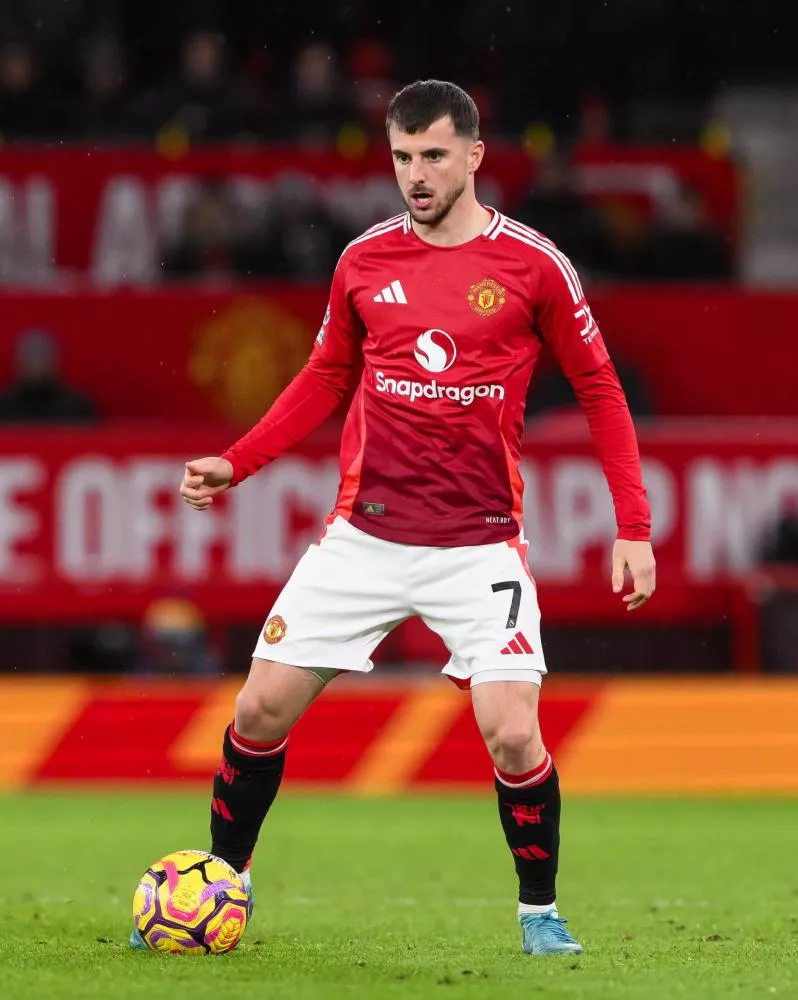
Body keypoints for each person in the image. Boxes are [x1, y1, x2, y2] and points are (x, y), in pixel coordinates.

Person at [166, 80, 656, 958]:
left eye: (433, 155)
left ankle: (539, 915)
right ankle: (219, 886)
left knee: (512, 735)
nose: (416, 175)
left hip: (478, 547)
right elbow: (324, 376)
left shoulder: (534, 265)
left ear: (473, 155)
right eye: (401, 157)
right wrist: (236, 462)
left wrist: (634, 523)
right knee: (260, 710)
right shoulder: (363, 261)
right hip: (364, 537)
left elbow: (599, 386)